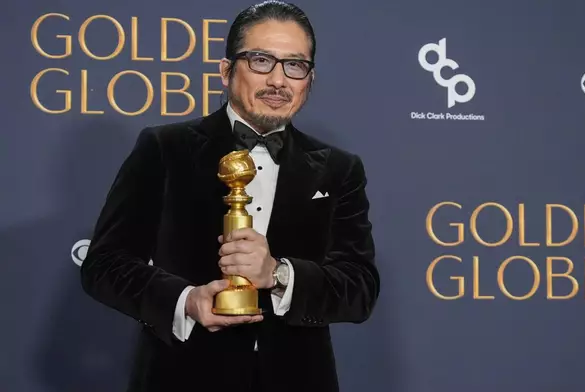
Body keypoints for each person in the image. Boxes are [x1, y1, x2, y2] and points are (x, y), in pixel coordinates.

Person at [80, 1, 380, 391]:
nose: (278, 80)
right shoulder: (164, 148)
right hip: (181, 377)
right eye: (260, 61)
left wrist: (277, 274)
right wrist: (186, 300)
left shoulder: (339, 169)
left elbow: (359, 288)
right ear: (226, 71)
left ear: (309, 79)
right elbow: (103, 264)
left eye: (294, 65)